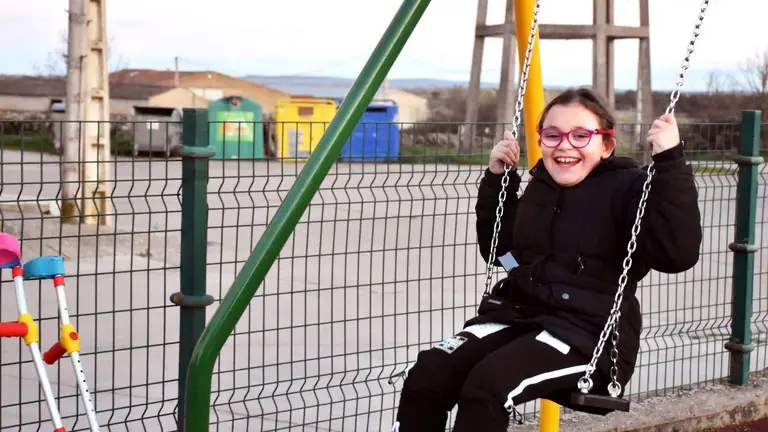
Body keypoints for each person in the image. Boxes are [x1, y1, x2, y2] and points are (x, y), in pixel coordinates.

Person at [391, 86, 702, 431]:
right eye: (552, 135)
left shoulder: (630, 187)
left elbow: (678, 254)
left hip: (587, 335)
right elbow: (501, 251)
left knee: (487, 386)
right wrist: (498, 180)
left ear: (606, 145)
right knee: (429, 372)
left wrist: (671, 161)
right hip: (520, 317)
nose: (565, 145)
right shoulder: (541, 185)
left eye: (581, 135)